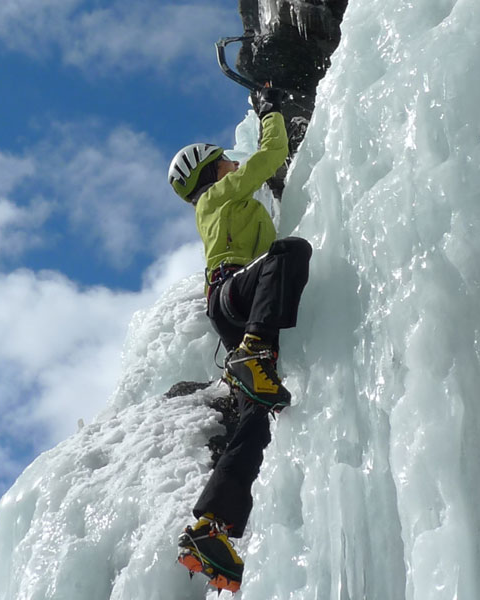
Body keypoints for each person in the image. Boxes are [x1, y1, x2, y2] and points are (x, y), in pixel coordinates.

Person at [167, 87, 313, 593]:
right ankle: (255, 351)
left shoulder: (224, 204)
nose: (233, 163)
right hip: (234, 296)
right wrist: (272, 110)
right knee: (289, 252)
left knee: (257, 417)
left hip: (233, 307)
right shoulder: (217, 195)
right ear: (212, 171)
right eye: (226, 160)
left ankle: (212, 528)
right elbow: (270, 156)